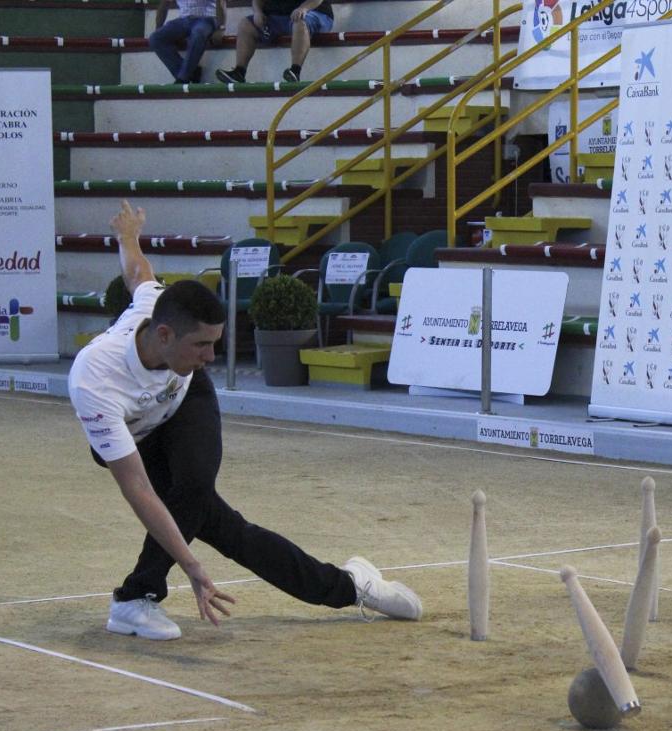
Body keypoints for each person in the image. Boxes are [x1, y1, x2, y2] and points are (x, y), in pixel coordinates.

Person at [67, 200, 422, 640]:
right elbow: (137, 489)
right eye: (201, 345)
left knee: (193, 488)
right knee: (226, 529)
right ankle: (350, 586)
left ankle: (136, 597)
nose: (211, 357)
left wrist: (128, 237)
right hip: (138, 434)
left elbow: (137, 273)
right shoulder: (95, 380)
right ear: (164, 335)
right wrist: (193, 567)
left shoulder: (160, 309)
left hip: (184, 401)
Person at [215, 0, 335, 84]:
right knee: (245, 24)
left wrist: (303, 8)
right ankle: (239, 72)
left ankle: (295, 71)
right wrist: (258, 12)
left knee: (300, 21)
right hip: (279, 16)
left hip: (314, 12)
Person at [148, 0, 227, 84]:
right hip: (184, 19)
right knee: (155, 38)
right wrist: (158, 29)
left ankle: (182, 79)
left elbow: (220, 2)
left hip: (207, 18)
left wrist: (221, 28)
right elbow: (164, 4)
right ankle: (191, 72)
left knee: (198, 32)